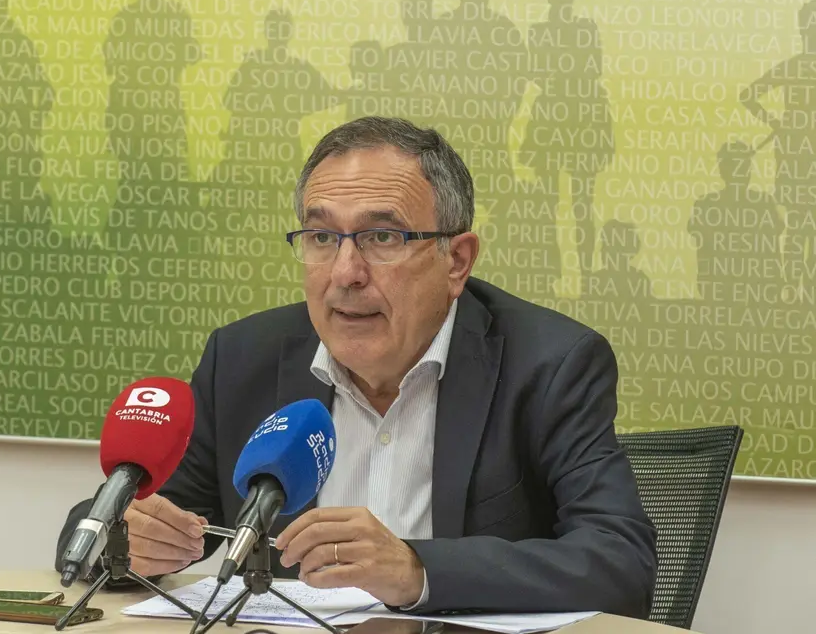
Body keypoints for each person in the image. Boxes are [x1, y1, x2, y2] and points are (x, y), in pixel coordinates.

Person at [56, 117, 656, 617]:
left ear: (456, 261)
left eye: (382, 239)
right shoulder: (242, 359)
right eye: (321, 238)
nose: (345, 273)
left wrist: (417, 568)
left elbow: (620, 563)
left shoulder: (549, 364)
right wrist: (126, 541)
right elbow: (113, 523)